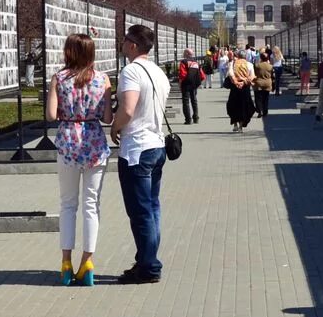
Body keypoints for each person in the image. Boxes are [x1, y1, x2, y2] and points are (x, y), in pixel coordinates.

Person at [45, 33, 113, 287]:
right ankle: (88, 261)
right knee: (91, 204)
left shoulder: (59, 79)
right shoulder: (103, 79)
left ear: (69, 52)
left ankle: (65, 262)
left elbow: (51, 115)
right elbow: (107, 117)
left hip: (67, 143)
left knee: (67, 204)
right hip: (94, 142)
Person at [111, 24, 170, 284]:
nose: (122, 43)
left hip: (137, 148)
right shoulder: (158, 71)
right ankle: (146, 260)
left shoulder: (131, 71)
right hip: (157, 146)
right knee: (152, 207)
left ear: (133, 45)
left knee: (140, 211)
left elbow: (128, 109)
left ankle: (148, 267)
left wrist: (115, 126)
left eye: (124, 40)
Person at [226, 52, 255, 132]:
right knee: (243, 106)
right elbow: (252, 76)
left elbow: (230, 74)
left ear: (238, 56)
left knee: (233, 105)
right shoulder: (249, 64)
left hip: (235, 88)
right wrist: (243, 82)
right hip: (245, 88)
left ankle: (235, 124)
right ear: (245, 57)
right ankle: (241, 127)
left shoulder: (233, 63)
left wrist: (236, 82)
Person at [177, 48, 204, 124]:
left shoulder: (183, 62)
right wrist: (197, 83)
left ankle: (188, 119)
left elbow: (182, 74)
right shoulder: (196, 63)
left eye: (184, 52)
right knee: (194, 100)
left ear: (187, 54)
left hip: (186, 84)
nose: (183, 54)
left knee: (186, 101)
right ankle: (196, 118)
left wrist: (180, 83)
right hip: (194, 84)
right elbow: (202, 75)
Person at [253, 49, 274, 120]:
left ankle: (259, 110)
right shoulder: (270, 66)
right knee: (266, 98)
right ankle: (265, 111)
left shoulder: (257, 65)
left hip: (258, 83)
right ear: (267, 58)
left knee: (258, 98)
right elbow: (272, 75)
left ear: (261, 58)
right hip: (267, 83)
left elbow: (254, 73)